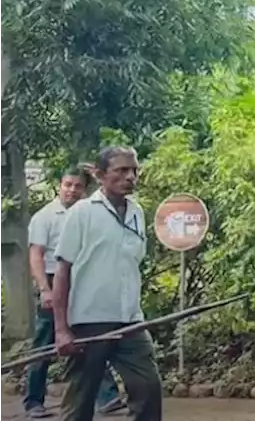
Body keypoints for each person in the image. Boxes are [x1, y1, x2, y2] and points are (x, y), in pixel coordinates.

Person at [53, 146, 162, 421]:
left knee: (148, 389)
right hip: (89, 322)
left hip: (130, 321)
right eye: (121, 170)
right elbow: (63, 270)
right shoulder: (82, 213)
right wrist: (62, 330)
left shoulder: (137, 212)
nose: (130, 177)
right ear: (101, 175)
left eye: (134, 170)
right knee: (81, 401)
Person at [24, 169, 125, 418]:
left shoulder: (91, 213)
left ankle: (108, 397)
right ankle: (33, 401)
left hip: (80, 282)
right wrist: (44, 290)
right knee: (45, 344)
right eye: (67, 185)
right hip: (52, 281)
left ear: (84, 190)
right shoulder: (45, 216)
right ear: (59, 186)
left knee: (89, 337)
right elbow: (36, 255)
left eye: (77, 186)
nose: (71, 190)